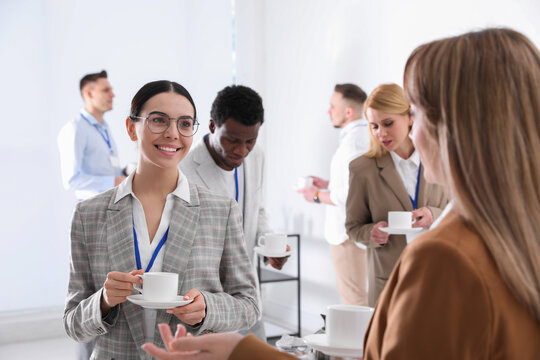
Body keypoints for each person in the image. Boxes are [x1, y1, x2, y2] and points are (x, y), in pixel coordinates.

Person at [142, 27, 540, 360]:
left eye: (414, 115)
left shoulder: (443, 257)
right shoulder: (519, 239)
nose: (407, 134)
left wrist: (242, 354)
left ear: (455, 128)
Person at [63, 80, 260, 359]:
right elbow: (72, 324)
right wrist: (103, 301)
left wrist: (208, 309)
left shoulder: (221, 211)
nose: (172, 134)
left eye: (184, 123)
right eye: (158, 120)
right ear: (132, 128)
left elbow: (250, 306)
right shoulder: (88, 215)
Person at [180, 85, 288, 342]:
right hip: (204, 301)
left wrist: (268, 246)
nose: (241, 150)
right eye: (232, 140)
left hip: (247, 294)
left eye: (250, 140)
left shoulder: (256, 156)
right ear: (212, 126)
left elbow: (257, 210)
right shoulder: (183, 169)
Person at [345, 83, 447, 306]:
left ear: (410, 116)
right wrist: (371, 233)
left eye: (388, 123)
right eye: (374, 126)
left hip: (440, 276)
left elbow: (459, 209)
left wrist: (434, 214)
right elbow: (353, 227)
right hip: (389, 282)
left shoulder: (441, 158)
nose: (380, 133)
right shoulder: (362, 169)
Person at [298, 83, 370, 306]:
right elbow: (358, 181)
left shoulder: (354, 142)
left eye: (332, 106)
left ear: (348, 112)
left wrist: (317, 194)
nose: (329, 111)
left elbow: (351, 193)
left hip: (346, 235)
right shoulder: (360, 137)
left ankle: (364, 342)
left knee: (354, 299)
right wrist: (328, 184)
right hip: (350, 233)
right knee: (355, 296)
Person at [58, 70, 126, 201]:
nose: (113, 95)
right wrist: (115, 181)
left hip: (112, 205)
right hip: (91, 208)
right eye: (106, 90)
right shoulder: (75, 128)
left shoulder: (104, 127)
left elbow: (103, 170)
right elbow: (71, 180)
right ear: (89, 94)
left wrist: (124, 173)